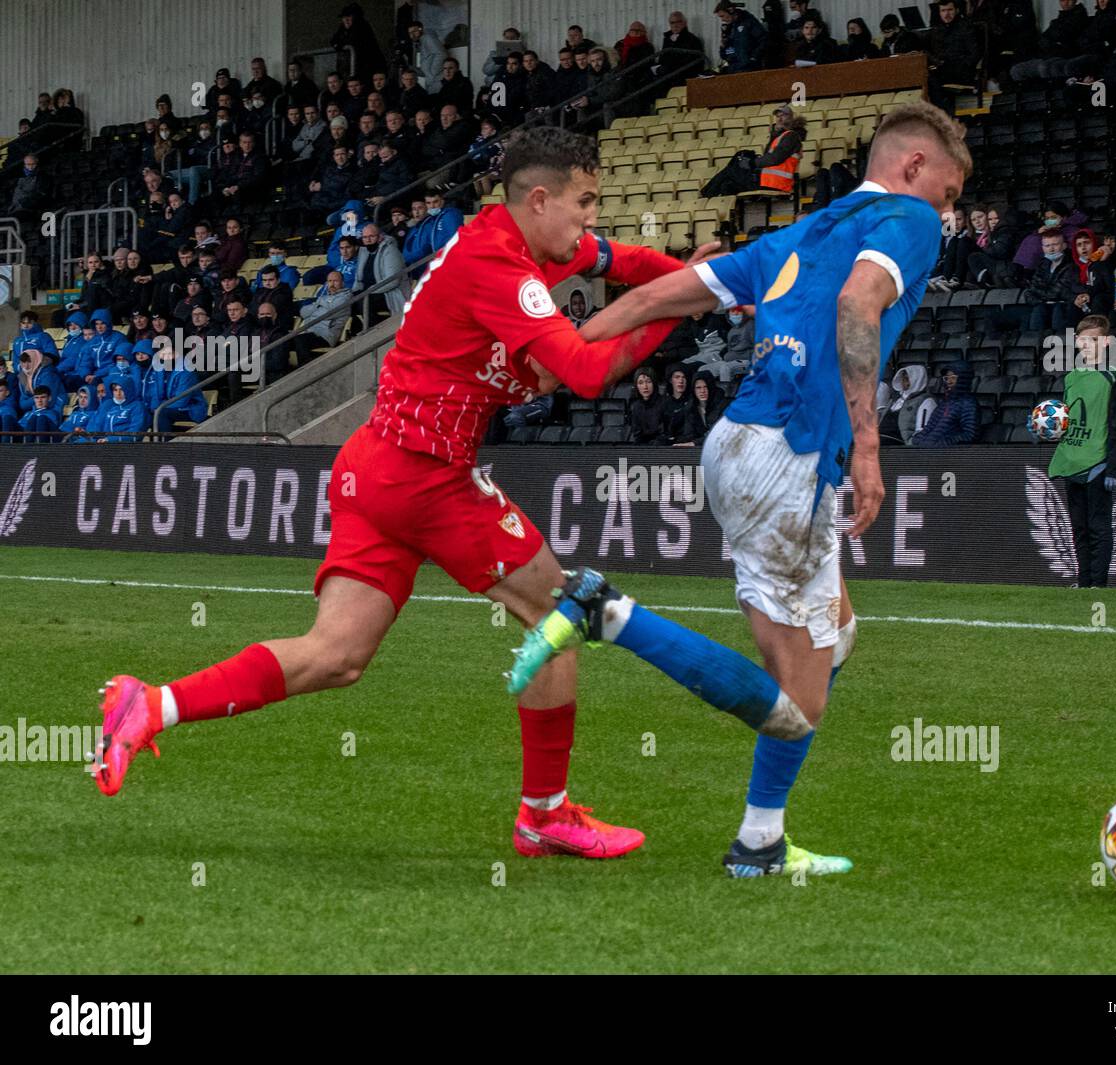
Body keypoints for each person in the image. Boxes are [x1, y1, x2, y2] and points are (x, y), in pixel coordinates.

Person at [91, 127, 723, 872]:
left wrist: (689, 277)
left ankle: (151, 703)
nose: (591, 221)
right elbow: (581, 374)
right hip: (429, 475)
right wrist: (687, 301)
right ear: (540, 199)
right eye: (584, 204)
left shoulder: (512, 241)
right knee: (561, 610)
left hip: (375, 467)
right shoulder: (499, 268)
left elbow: (618, 263)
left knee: (335, 654)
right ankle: (545, 816)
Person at [508, 102, 971, 877]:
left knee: (837, 638)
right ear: (915, 167)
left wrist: (562, 351)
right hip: (791, 459)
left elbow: (662, 295)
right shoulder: (909, 220)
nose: (948, 216)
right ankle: (606, 612)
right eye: (949, 194)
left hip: (735, 445)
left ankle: (760, 840)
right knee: (795, 709)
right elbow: (859, 303)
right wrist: (867, 444)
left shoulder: (798, 233)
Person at [1047, 315, 1116, 588]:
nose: (1087, 344)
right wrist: (1052, 429)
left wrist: (1113, 467)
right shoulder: (1070, 378)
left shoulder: (1113, 377)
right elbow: (1067, 419)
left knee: (1098, 525)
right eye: (1083, 339)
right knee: (1078, 526)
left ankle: (1098, 583)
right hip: (1072, 459)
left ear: (1105, 342)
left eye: (1094, 340)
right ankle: (1083, 581)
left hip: (1097, 462)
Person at [701, 104, 805, 198]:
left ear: (791, 118)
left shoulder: (791, 136)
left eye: (783, 115)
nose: (779, 119)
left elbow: (775, 158)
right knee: (727, 185)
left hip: (776, 183)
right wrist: (775, 134)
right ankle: (727, 216)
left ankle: (705, 196)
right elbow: (768, 157)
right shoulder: (780, 136)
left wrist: (752, 163)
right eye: (777, 116)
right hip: (767, 181)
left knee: (731, 170)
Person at [911, 360, 977, 447]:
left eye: (953, 378)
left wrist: (944, 443)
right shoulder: (943, 404)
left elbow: (970, 435)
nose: (948, 381)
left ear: (963, 379)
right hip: (929, 452)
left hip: (948, 455)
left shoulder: (969, 404)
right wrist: (917, 439)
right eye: (946, 378)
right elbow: (929, 428)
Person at [875, 364, 934, 444]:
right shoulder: (895, 400)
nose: (903, 381)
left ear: (917, 380)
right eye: (903, 378)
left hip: (899, 444)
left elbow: (921, 432)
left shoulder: (926, 401)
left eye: (907, 379)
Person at [716, 1, 768, 74]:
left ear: (731, 11)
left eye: (723, 16)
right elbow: (728, 51)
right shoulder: (730, 28)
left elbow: (764, 40)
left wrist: (754, 57)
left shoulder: (749, 22)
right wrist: (723, 48)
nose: (722, 19)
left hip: (749, 68)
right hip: (734, 68)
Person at [628, 367, 667, 443]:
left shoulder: (665, 403)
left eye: (648, 382)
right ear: (636, 386)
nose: (645, 386)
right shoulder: (636, 406)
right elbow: (637, 434)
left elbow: (665, 433)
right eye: (641, 383)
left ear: (654, 383)